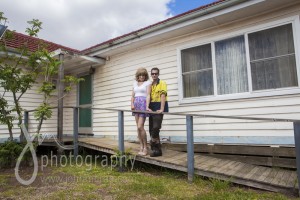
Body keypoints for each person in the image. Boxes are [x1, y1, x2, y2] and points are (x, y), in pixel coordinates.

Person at [147, 67, 168, 157]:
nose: (154, 75)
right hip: (152, 106)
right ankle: (157, 150)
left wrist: (162, 108)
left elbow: (163, 95)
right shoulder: (150, 84)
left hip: (159, 105)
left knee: (156, 127)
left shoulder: (162, 83)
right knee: (151, 128)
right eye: (153, 74)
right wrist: (147, 106)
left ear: (158, 74)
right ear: (151, 75)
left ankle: (152, 142)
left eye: (156, 73)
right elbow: (148, 96)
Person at [131, 68, 151, 156]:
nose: (142, 77)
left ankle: (146, 147)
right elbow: (132, 95)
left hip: (143, 104)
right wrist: (131, 104)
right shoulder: (135, 83)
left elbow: (148, 95)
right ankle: (141, 146)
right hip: (136, 105)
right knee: (137, 127)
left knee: (140, 126)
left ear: (145, 76)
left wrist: (147, 106)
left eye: (143, 75)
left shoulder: (148, 83)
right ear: (137, 76)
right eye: (140, 75)